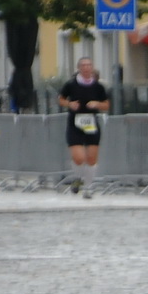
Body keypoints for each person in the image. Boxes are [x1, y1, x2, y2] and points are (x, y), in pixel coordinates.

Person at [58, 57, 110, 197]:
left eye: (89, 65)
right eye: (84, 65)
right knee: (79, 158)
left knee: (92, 158)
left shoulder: (98, 87)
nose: (87, 68)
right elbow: (61, 99)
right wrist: (70, 104)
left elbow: (106, 105)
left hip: (91, 124)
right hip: (75, 124)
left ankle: (88, 187)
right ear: (79, 68)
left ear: (92, 68)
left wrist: (96, 104)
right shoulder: (71, 84)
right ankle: (78, 177)